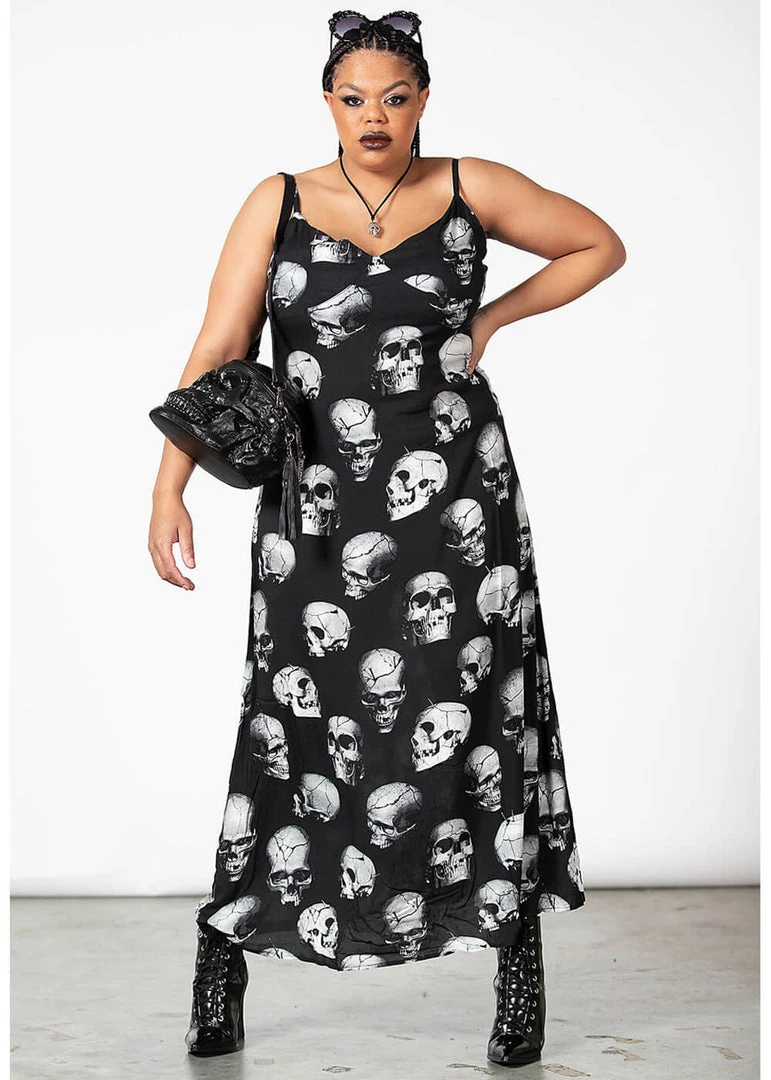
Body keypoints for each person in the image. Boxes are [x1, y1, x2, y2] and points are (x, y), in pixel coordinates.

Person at [147, 10, 625, 1068]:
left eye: (395, 98)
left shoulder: (468, 188)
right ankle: (224, 955)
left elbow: (599, 244)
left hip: (458, 503)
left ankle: (516, 964)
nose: (375, 116)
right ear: (328, 102)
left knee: (479, 718)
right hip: (315, 510)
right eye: (355, 98)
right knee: (294, 720)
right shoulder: (275, 200)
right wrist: (168, 486)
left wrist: (489, 321)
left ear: (422, 101)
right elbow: (220, 344)